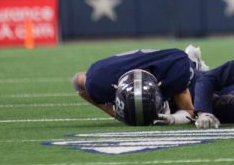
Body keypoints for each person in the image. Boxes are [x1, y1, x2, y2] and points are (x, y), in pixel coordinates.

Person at [72, 45, 208, 126]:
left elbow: (191, 112)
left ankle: (194, 61)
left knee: (205, 95)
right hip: (130, 71)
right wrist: (116, 113)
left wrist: (173, 119)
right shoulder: (98, 81)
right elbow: (77, 81)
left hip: (166, 64)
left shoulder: (174, 71)